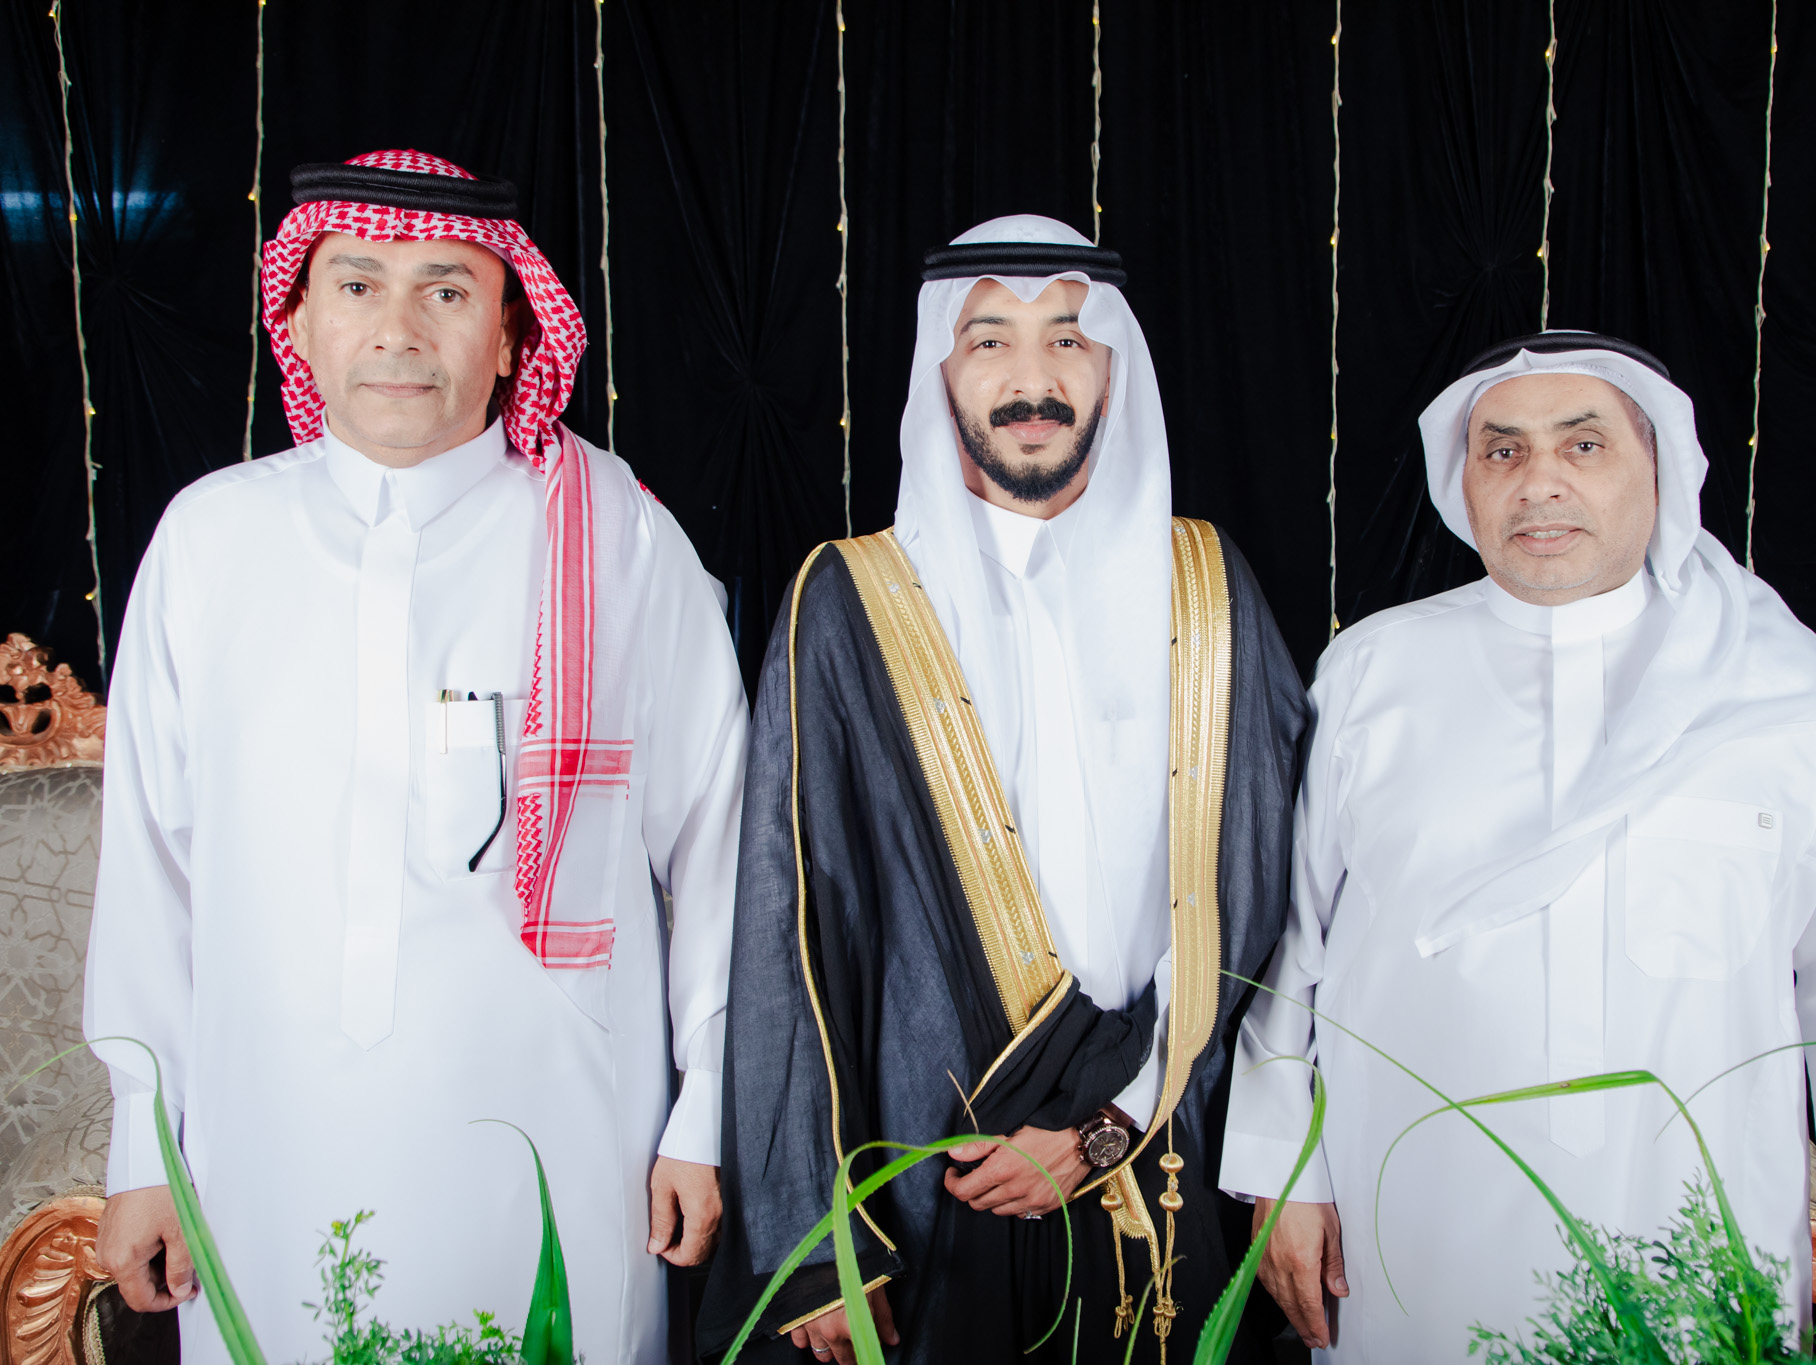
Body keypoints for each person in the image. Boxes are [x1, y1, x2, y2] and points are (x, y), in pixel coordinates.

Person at [83, 150, 746, 1365]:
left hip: (563, 1139)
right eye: (357, 286)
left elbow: (721, 850)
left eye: (447, 290)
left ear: (511, 334)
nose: (398, 329)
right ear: (297, 322)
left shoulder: (618, 539)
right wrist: (142, 1145)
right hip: (263, 1145)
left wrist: (703, 1115)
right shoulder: (210, 541)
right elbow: (149, 875)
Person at [1222, 333, 1816, 1360]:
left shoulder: (1782, 696)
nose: (1539, 483)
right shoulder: (1372, 672)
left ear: (1659, 470)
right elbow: (1287, 953)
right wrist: (1280, 1172)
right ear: (1462, 482)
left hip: (1698, 1258)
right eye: (1502, 450)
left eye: (1583, 445)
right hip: (1408, 1247)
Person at [700, 216, 1307, 1364]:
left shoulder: (1203, 584)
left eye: (1066, 339)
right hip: (918, 1173)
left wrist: (1106, 1122)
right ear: (942, 372)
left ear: (1112, 369)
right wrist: (818, 1240)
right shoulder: (849, 597)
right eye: (989, 341)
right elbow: (789, 922)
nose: (1033, 377)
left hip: (1151, 1153)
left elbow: (1256, 886)